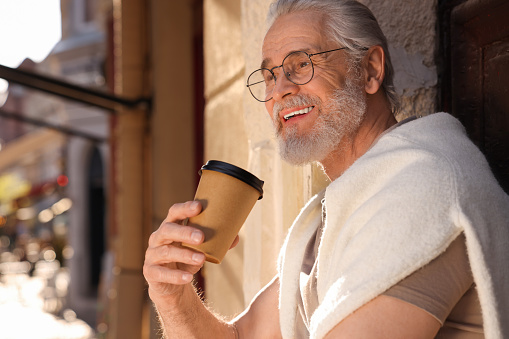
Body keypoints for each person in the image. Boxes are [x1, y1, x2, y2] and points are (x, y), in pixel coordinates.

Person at [143, 0, 509, 338]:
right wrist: (174, 298)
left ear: (369, 69)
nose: (279, 91)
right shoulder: (333, 213)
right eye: (269, 76)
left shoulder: (423, 186)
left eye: (301, 64)